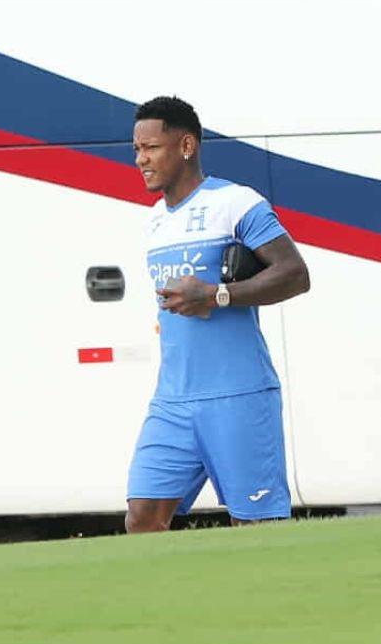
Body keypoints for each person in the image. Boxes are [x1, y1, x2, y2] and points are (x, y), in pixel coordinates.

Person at [126, 96, 310, 532]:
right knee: (142, 518)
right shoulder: (154, 221)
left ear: (186, 145)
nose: (140, 159)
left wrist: (216, 296)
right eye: (136, 150)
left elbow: (295, 274)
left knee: (258, 525)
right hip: (173, 399)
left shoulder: (235, 202)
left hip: (238, 394)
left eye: (151, 148)